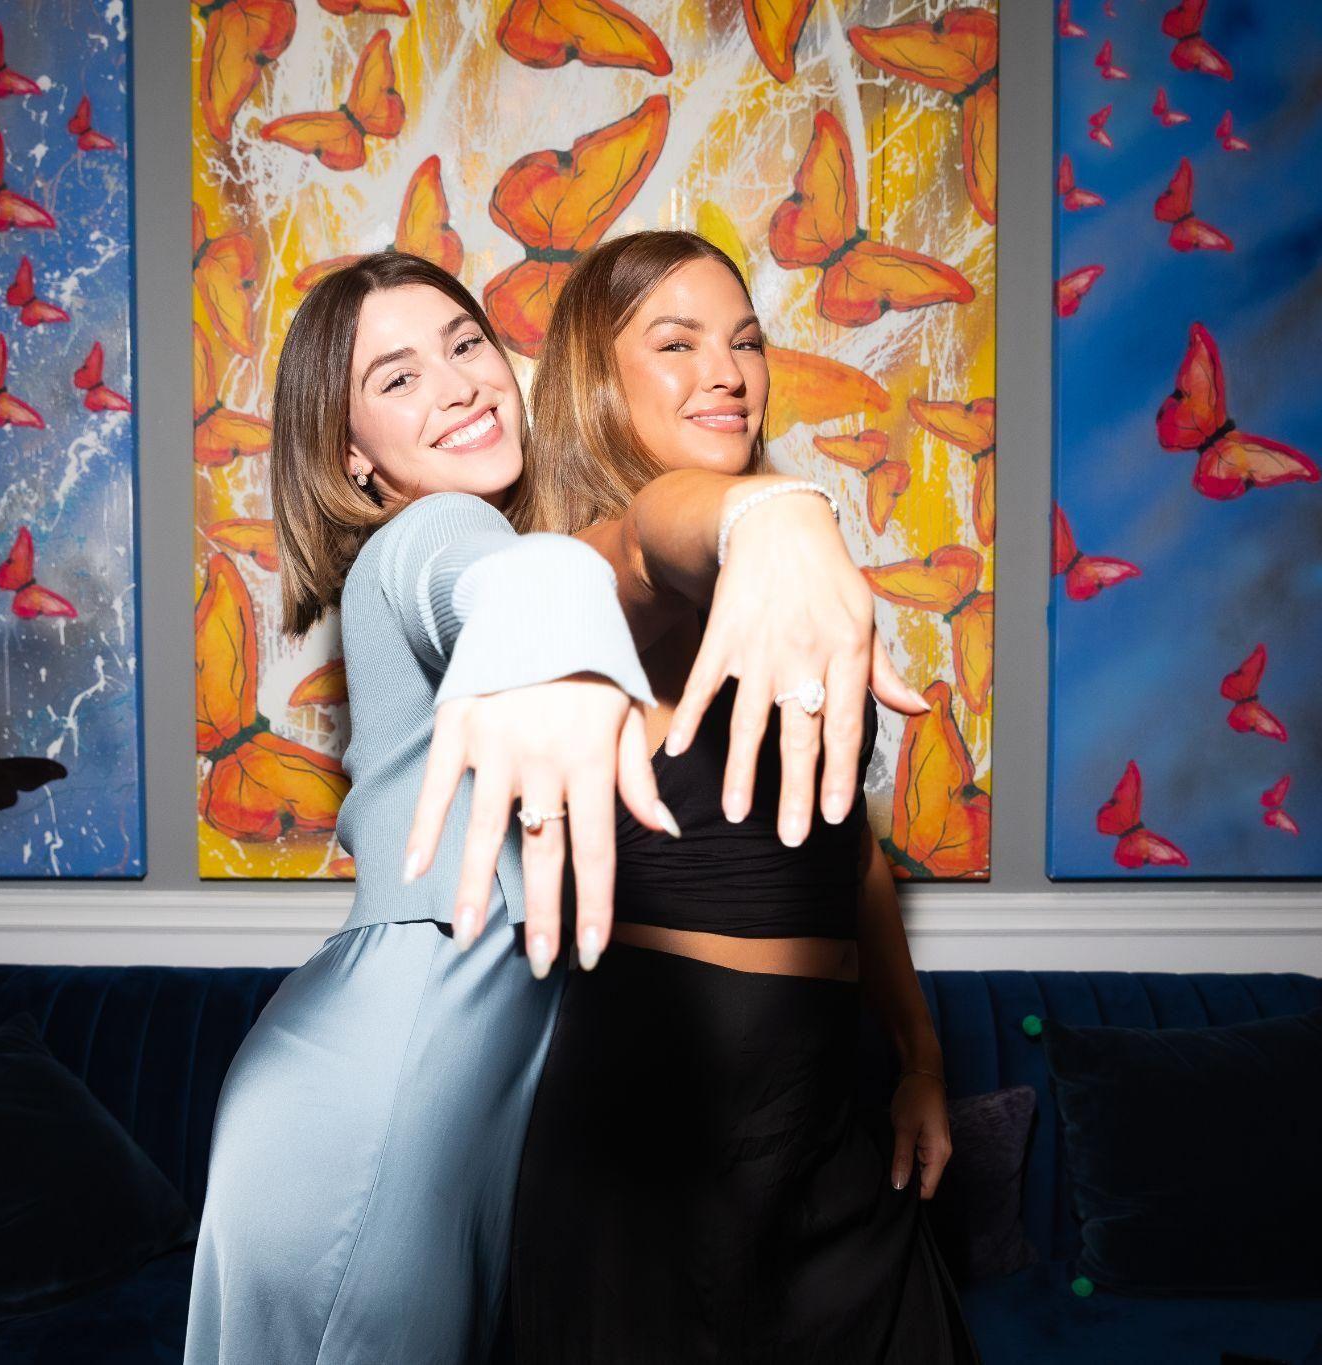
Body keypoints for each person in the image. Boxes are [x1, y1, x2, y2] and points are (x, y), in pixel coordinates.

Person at [184, 252, 908, 1365]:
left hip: (475, 1096)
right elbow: (523, 575)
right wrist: (770, 517)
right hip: (381, 1091)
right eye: (397, 378)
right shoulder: (426, 541)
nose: (457, 386)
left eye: (465, 345)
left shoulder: (515, 545)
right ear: (350, 455)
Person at [505, 230, 983, 1363]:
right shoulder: (573, 582)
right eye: (676, 344)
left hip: (829, 1133)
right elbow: (643, 538)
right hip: (656, 1159)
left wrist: (918, 1059)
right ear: (596, 382)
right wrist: (770, 512)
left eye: (746, 342)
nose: (726, 373)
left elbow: (849, 851)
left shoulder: (788, 585)